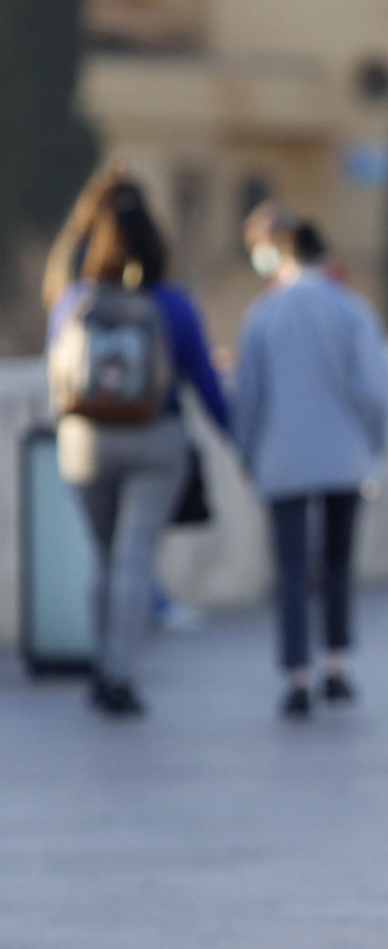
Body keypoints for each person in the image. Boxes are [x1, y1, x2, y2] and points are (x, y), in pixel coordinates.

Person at [45, 175, 230, 717]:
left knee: (100, 560)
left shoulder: (77, 300)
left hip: (84, 442)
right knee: (133, 559)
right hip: (154, 438)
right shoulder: (173, 304)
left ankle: (100, 667)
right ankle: (120, 675)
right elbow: (204, 384)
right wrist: (239, 441)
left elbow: (59, 372)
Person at [233, 209, 388, 719]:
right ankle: (337, 667)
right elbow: (374, 391)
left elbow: (248, 395)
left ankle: (297, 676)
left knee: (292, 570)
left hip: (281, 461)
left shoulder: (263, 314)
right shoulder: (352, 311)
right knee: (337, 565)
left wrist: (247, 451)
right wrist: (374, 445)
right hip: (344, 459)